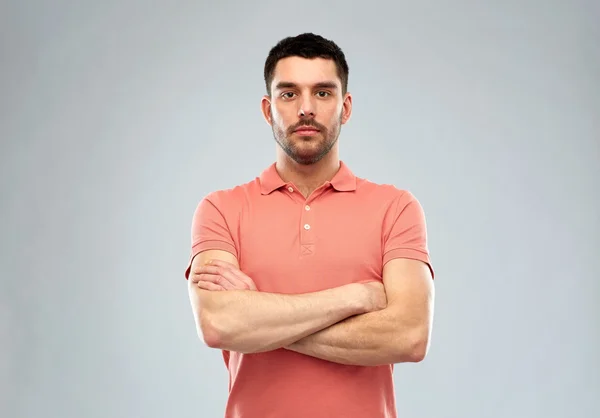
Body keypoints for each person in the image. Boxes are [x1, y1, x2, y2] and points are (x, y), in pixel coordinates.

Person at [184, 32, 435, 418]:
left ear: (345, 107)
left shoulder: (395, 208)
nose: (306, 108)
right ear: (268, 110)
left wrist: (261, 319)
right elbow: (219, 325)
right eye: (288, 94)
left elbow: (410, 336)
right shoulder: (221, 209)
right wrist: (359, 297)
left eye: (322, 92)